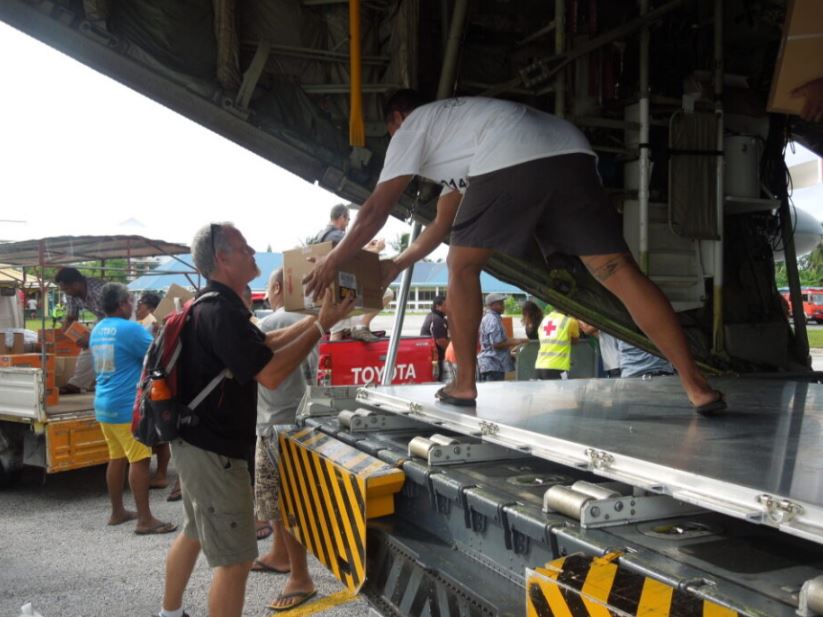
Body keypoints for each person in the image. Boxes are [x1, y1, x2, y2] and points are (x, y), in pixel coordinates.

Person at [303, 91, 725, 415]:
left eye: (393, 131)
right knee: (616, 270)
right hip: (572, 153)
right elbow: (441, 225)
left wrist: (334, 259)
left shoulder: (414, 127)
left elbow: (376, 207)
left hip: (515, 154)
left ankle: (464, 383)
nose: (396, 141)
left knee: (461, 266)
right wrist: (396, 264)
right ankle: (696, 386)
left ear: (397, 119)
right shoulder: (459, 138)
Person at [157, 222, 353, 617]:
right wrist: (320, 324)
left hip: (194, 442)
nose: (251, 253)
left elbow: (263, 344)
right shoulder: (220, 311)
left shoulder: (212, 305)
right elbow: (271, 373)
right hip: (215, 450)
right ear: (222, 258)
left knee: (194, 531)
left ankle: (170, 613)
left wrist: (319, 320)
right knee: (234, 561)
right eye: (244, 247)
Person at [251, 267, 318, 612]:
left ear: (277, 286)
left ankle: (301, 576)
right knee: (283, 499)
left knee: (284, 500)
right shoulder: (308, 319)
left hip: (274, 419)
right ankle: (280, 555)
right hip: (300, 416)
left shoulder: (270, 323)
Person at [89, 283, 176, 535]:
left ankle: (117, 512)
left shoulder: (98, 329)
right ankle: (145, 519)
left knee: (116, 457)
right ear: (121, 304)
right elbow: (159, 353)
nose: (134, 305)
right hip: (127, 405)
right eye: (130, 300)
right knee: (139, 459)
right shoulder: (130, 329)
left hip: (104, 403)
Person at [55, 267, 107, 394]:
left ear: (76, 284)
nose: (65, 293)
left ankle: (104, 381)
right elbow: (72, 317)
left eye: (66, 289)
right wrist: (68, 328)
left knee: (103, 347)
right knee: (88, 348)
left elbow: (115, 315)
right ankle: (77, 384)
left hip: (122, 316)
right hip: (103, 318)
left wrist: (92, 338)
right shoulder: (72, 294)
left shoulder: (99, 291)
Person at [477, 293, 526, 383]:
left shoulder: (491, 318)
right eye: (500, 303)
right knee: (494, 394)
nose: (503, 306)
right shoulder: (492, 319)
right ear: (491, 305)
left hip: (492, 364)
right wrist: (516, 341)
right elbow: (496, 344)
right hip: (493, 365)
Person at [535, 308, 579, 380]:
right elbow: (575, 341)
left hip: (540, 366)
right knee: (561, 391)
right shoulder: (570, 321)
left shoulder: (544, 320)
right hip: (558, 367)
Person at [420, 295, 449, 380]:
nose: (448, 308)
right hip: (437, 359)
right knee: (440, 380)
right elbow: (441, 342)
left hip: (429, 356)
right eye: (446, 305)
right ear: (438, 306)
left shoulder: (431, 316)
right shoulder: (437, 320)